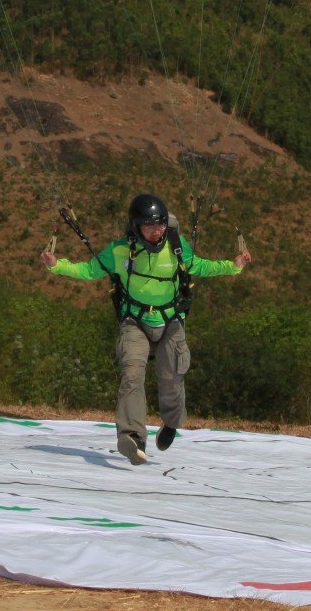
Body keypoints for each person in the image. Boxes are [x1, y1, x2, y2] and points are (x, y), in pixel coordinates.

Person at [44, 192, 249, 466]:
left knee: (171, 376)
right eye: (150, 226)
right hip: (135, 321)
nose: (157, 231)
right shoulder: (120, 250)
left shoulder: (176, 246)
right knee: (131, 373)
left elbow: (200, 265)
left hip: (171, 320)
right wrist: (57, 266)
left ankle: (172, 422)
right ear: (136, 227)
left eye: (161, 225)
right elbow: (89, 270)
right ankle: (132, 436)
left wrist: (232, 267)